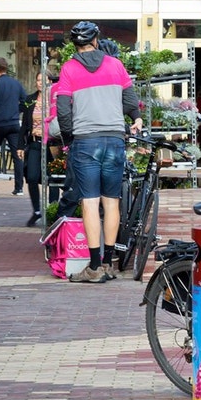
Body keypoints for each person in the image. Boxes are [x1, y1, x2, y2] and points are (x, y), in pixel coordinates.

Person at [52, 21, 142, 283]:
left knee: (90, 202)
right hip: (114, 140)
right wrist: (135, 117)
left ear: (75, 44)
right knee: (111, 201)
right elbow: (130, 100)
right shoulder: (115, 65)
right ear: (95, 40)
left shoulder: (69, 68)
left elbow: (64, 110)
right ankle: (108, 263)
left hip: (85, 141)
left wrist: (68, 138)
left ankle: (93, 267)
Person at [0, 57, 26, 195]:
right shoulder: (16, 84)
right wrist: (16, 111)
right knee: (17, 155)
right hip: (13, 123)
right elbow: (25, 101)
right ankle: (19, 188)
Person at [17, 73, 46, 227]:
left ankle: (54, 210)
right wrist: (20, 145)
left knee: (52, 178)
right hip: (35, 143)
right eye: (38, 80)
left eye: (44, 80)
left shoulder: (55, 99)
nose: (41, 83)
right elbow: (24, 124)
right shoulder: (30, 99)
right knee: (32, 177)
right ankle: (37, 210)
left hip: (52, 145)